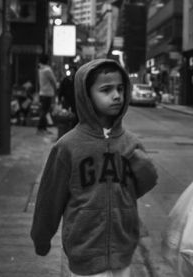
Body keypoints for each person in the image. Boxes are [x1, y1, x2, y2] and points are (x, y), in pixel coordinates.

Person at [30, 59, 158, 277]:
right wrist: (41, 238)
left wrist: (139, 162)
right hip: (84, 253)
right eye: (106, 90)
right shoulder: (68, 147)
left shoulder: (130, 143)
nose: (116, 95)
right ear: (86, 95)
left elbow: (144, 184)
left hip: (122, 251)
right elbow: (49, 199)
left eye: (120, 89)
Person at [37, 54, 58, 134]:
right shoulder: (47, 70)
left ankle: (43, 128)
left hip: (42, 93)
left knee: (44, 111)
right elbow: (53, 81)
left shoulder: (40, 69)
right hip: (48, 93)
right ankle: (40, 128)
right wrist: (56, 89)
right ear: (47, 61)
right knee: (44, 111)